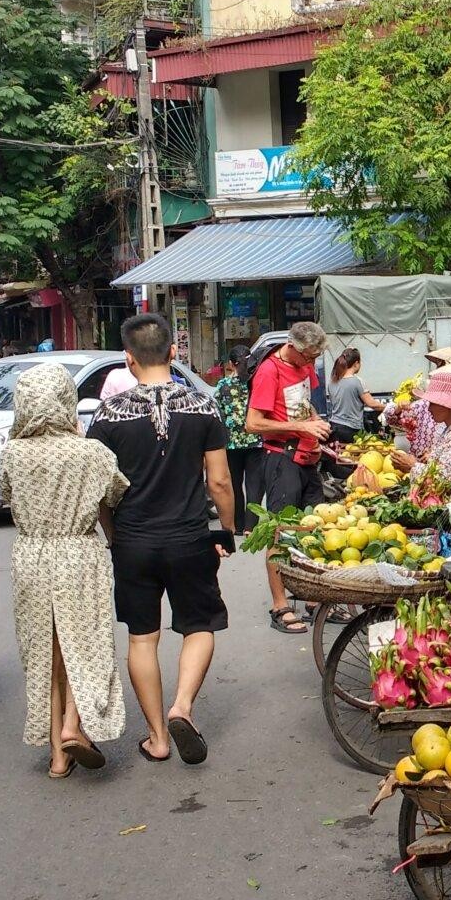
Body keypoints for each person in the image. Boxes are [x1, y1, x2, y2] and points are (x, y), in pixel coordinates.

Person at [87, 313, 234, 765]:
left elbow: (100, 490)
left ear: (128, 360)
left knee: (141, 639)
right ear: (174, 353)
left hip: (133, 541)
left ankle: (157, 738)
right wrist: (225, 531)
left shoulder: (108, 415)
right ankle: (182, 707)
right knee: (200, 626)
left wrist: (114, 535)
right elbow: (220, 482)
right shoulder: (203, 407)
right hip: (189, 537)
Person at [0, 365, 129, 779]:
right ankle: (76, 724)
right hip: (78, 552)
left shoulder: (11, 453)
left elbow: (5, 496)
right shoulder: (91, 452)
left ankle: (57, 754)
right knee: (84, 643)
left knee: (45, 651)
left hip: (31, 555)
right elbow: (116, 493)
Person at [245, 320, 332, 634]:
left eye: (314, 359)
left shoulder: (305, 367)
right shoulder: (270, 371)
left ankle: (311, 598)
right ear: (293, 347)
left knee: (312, 528)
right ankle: (280, 604)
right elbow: (253, 423)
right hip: (281, 458)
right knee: (279, 533)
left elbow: (305, 407)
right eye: (307, 357)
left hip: (308, 457)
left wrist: (316, 427)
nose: (311, 364)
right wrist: (300, 429)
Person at [213, 348, 263, 535]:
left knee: (234, 484)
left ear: (231, 364)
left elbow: (217, 414)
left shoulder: (223, 385)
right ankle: (252, 526)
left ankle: (238, 525)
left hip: (231, 443)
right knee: (254, 485)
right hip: (255, 440)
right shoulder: (256, 383)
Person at [326, 346, 383, 444]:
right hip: (351, 430)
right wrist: (391, 407)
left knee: (338, 458)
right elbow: (372, 404)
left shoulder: (332, 381)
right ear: (356, 363)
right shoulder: (357, 381)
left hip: (334, 428)